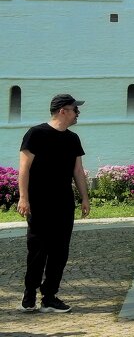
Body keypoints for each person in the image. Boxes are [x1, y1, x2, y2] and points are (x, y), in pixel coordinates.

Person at [17, 93, 90, 315]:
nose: (78, 113)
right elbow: (24, 169)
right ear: (62, 111)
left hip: (64, 203)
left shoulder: (73, 139)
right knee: (37, 250)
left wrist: (84, 197)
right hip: (39, 202)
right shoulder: (35, 134)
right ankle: (29, 295)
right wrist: (23, 198)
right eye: (75, 109)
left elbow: (78, 171)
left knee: (60, 251)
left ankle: (49, 297)